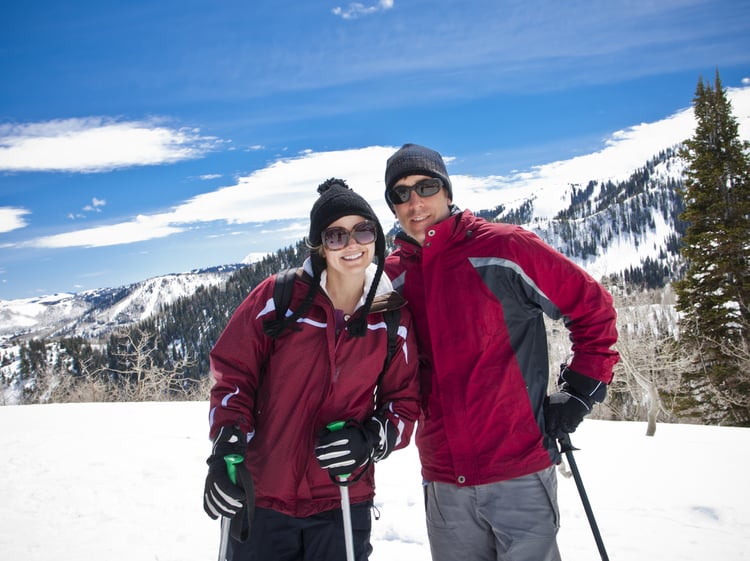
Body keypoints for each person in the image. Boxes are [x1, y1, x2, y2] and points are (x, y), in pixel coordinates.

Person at [382, 143, 620, 561]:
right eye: (400, 194)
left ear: (448, 192)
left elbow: (592, 307)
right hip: (443, 479)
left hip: (519, 468)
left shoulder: (505, 249)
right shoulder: (392, 279)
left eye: (426, 186)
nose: (414, 201)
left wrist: (582, 389)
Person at [203, 178, 421, 561]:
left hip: (341, 497)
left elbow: (403, 403)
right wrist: (227, 444)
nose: (351, 244)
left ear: (376, 239)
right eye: (336, 236)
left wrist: (371, 439)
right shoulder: (279, 299)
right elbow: (234, 374)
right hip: (265, 495)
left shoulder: (390, 317)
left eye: (362, 231)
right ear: (321, 246)